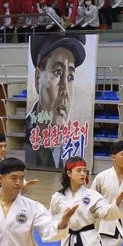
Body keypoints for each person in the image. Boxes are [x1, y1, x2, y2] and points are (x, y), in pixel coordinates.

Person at [25, 33, 87, 169]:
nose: (65, 90)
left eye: (71, 77)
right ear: (37, 79)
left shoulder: (72, 145)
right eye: (57, 72)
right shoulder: (27, 139)